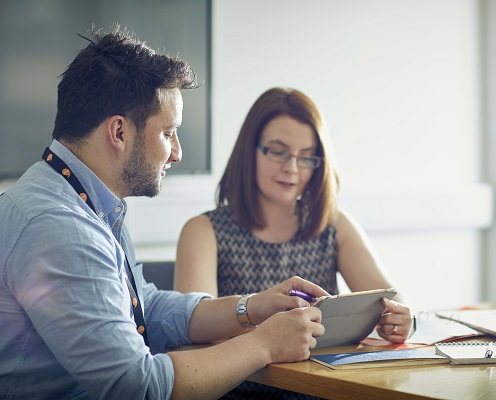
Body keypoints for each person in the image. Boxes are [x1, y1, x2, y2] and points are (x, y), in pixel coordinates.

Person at [0, 27, 328, 400]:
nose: (177, 153)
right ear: (119, 132)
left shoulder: (85, 199)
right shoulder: (59, 227)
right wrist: (264, 345)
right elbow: (137, 386)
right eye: (168, 133)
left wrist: (250, 308)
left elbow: (146, 307)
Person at [174, 87, 414, 398]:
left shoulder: (335, 225)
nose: (292, 168)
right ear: (251, 150)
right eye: (278, 151)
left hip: (325, 388)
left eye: (307, 157)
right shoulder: (203, 231)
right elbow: (193, 335)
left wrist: (403, 318)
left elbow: (394, 298)